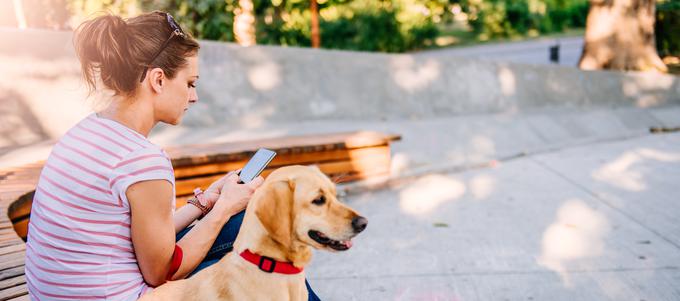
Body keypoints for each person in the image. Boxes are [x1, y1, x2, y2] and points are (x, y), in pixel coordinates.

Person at [24, 11, 321, 300]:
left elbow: (136, 237)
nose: (194, 96)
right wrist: (222, 210)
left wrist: (205, 204)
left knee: (241, 220)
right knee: (264, 258)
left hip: (60, 292)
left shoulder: (88, 131)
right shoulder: (142, 161)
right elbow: (162, 271)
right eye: (190, 83)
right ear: (158, 80)